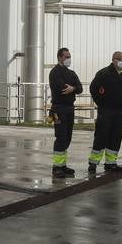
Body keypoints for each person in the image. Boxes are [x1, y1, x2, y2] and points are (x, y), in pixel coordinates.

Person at [88, 51, 122, 174]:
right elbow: (93, 88)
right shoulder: (103, 73)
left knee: (116, 137)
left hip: (120, 111)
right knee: (101, 136)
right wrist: (101, 102)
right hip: (106, 111)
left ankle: (111, 163)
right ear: (113, 60)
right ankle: (93, 163)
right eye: (120, 59)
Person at [48, 47, 83, 179]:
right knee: (60, 137)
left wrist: (72, 88)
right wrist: (71, 88)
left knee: (67, 137)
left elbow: (79, 88)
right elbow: (61, 87)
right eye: (66, 57)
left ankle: (62, 165)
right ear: (59, 57)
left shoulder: (72, 73)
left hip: (69, 108)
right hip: (58, 109)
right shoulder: (55, 72)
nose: (69, 59)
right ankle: (56, 167)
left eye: (69, 56)